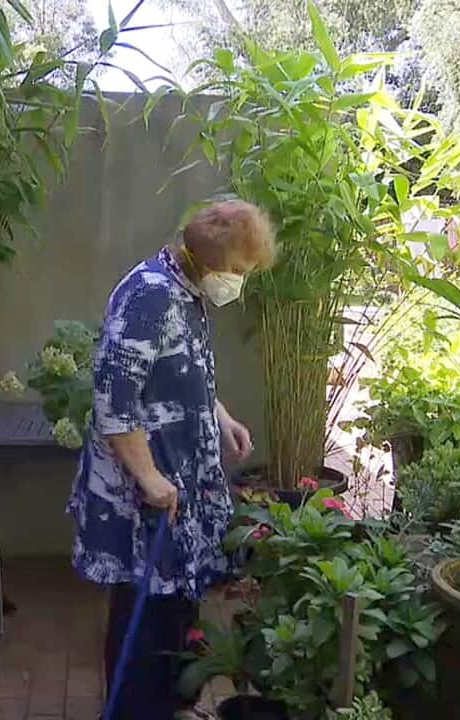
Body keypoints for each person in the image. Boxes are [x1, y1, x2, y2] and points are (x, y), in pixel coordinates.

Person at [67, 200, 277, 720]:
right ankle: (137, 711)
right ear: (211, 260)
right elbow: (115, 405)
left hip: (178, 484)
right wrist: (149, 478)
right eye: (240, 272)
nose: (239, 283)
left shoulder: (186, 292)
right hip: (146, 495)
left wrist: (220, 416)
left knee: (176, 605)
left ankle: (172, 704)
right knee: (146, 613)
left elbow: (186, 371)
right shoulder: (148, 296)